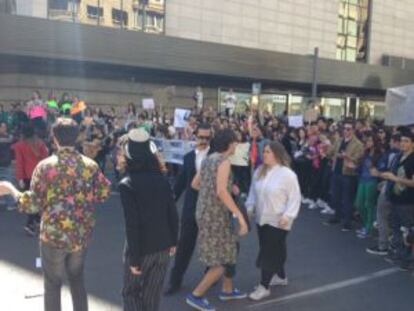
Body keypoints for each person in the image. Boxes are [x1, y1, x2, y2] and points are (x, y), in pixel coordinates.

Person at [0, 118, 111, 311]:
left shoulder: (45, 166)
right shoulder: (90, 166)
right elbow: (103, 194)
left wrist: (10, 189)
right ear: (76, 138)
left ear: (55, 138)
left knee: (52, 284)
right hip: (80, 234)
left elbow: (31, 205)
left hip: (53, 236)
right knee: (77, 280)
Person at [186, 129, 249, 311]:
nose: (237, 145)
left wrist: (211, 195)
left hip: (204, 213)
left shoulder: (209, 158)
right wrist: (239, 216)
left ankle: (227, 291)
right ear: (229, 144)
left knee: (227, 252)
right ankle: (197, 295)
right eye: (236, 142)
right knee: (221, 262)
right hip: (215, 217)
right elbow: (221, 191)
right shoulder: (223, 162)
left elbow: (195, 184)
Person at [118, 128, 179, 311]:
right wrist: (173, 240)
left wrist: (134, 258)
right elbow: (172, 212)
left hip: (141, 249)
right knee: (152, 296)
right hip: (163, 247)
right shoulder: (162, 178)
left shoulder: (127, 184)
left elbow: (133, 224)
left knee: (131, 293)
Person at [246, 142, 301, 301]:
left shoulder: (288, 175)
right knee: (274, 248)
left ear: (277, 154)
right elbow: (252, 191)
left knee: (268, 252)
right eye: (264, 152)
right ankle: (281, 276)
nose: (264, 154)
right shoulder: (259, 171)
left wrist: (288, 216)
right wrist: (250, 206)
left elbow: (295, 198)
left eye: (268, 152)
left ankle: (264, 286)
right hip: (262, 218)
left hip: (279, 221)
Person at [165, 123, 212, 295]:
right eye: (201, 137)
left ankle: (211, 276)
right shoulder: (188, 157)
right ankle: (175, 281)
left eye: (208, 138)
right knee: (184, 245)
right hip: (191, 208)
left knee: (210, 245)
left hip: (211, 208)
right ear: (195, 136)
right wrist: (170, 201)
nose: (204, 140)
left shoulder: (216, 156)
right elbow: (180, 183)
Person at [380, 129, 414, 270]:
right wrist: (386, 179)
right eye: (402, 141)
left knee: (408, 232)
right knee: (396, 228)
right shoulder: (398, 156)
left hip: (407, 202)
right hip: (394, 198)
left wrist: (395, 178)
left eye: (406, 141)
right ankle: (399, 254)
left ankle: (408, 260)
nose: (403, 144)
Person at [326, 120, 364, 231]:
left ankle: (347, 221)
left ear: (353, 130)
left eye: (349, 129)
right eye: (345, 129)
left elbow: (358, 159)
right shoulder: (339, 140)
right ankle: (337, 216)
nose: (346, 131)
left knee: (347, 198)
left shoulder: (358, 144)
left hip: (348, 174)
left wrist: (346, 156)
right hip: (336, 171)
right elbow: (331, 152)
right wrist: (328, 150)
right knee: (335, 196)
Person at [13, 123, 49, 236]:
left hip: (27, 176)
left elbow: (20, 163)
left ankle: (30, 224)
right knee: (40, 199)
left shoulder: (19, 146)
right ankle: (37, 221)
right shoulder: (41, 144)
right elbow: (46, 159)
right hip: (41, 175)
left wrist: (19, 178)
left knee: (31, 200)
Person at [354, 132, 381, 239]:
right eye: (367, 140)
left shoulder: (379, 155)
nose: (367, 142)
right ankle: (366, 225)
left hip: (372, 181)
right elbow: (360, 166)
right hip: (362, 180)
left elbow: (380, 169)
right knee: (358, 204)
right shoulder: (365, 153)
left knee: (369, 205)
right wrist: (354, 167)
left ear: (375, 142)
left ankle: (368, 228)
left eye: (370, 140)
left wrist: (374, 168)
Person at [0, 121, 15, 210]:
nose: (4, 129)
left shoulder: (9, 137)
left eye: (5, 127)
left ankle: (10, 203)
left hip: (6, 163)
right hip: (4, 163)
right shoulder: (8, 138)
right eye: (2, 127)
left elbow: (11, 140)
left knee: (8, 183)